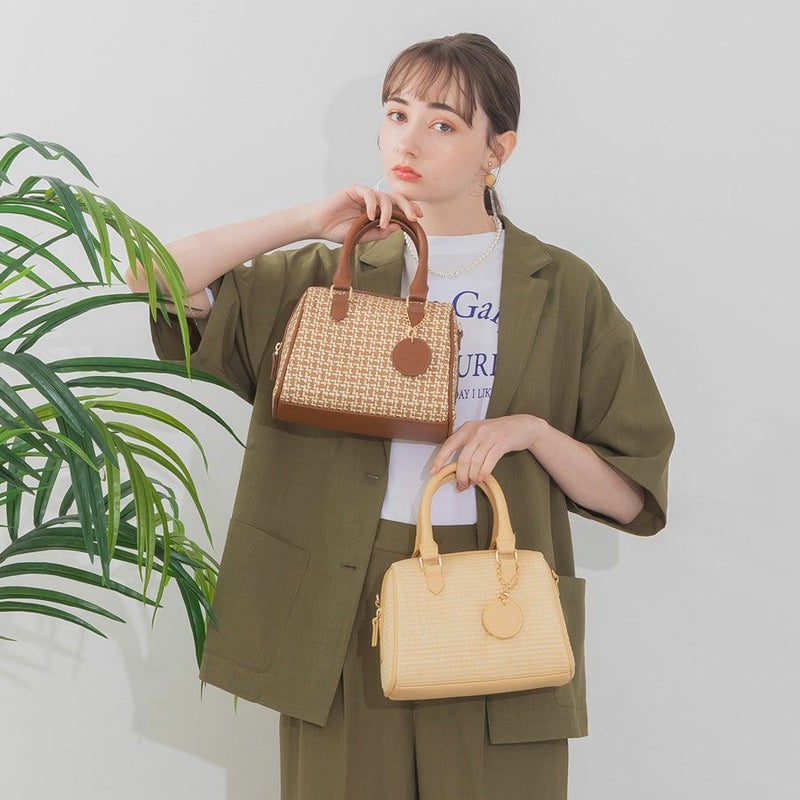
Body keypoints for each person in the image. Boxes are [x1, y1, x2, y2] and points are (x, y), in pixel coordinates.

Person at [126, 32, 675, 800]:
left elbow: (630, 494)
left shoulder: (561, 288)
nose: (408, 141)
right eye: (396, 113)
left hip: (497, 603)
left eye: (443, 123)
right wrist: (307, 220)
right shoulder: (328, 277)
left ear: (498, 149)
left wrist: (532, 432)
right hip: (340, 602)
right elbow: (150, 278)